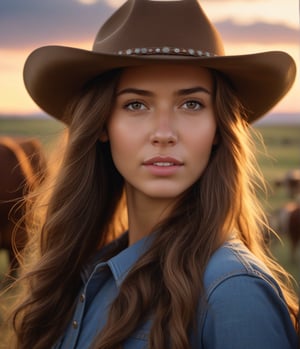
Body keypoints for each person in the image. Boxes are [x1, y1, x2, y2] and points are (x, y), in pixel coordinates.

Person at [6, 0, 299, 348]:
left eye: (191, 104)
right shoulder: (83, 275)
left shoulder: (233, 292)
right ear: (103, 124)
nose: (163, 132)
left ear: (218, 127)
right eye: (136, 104)